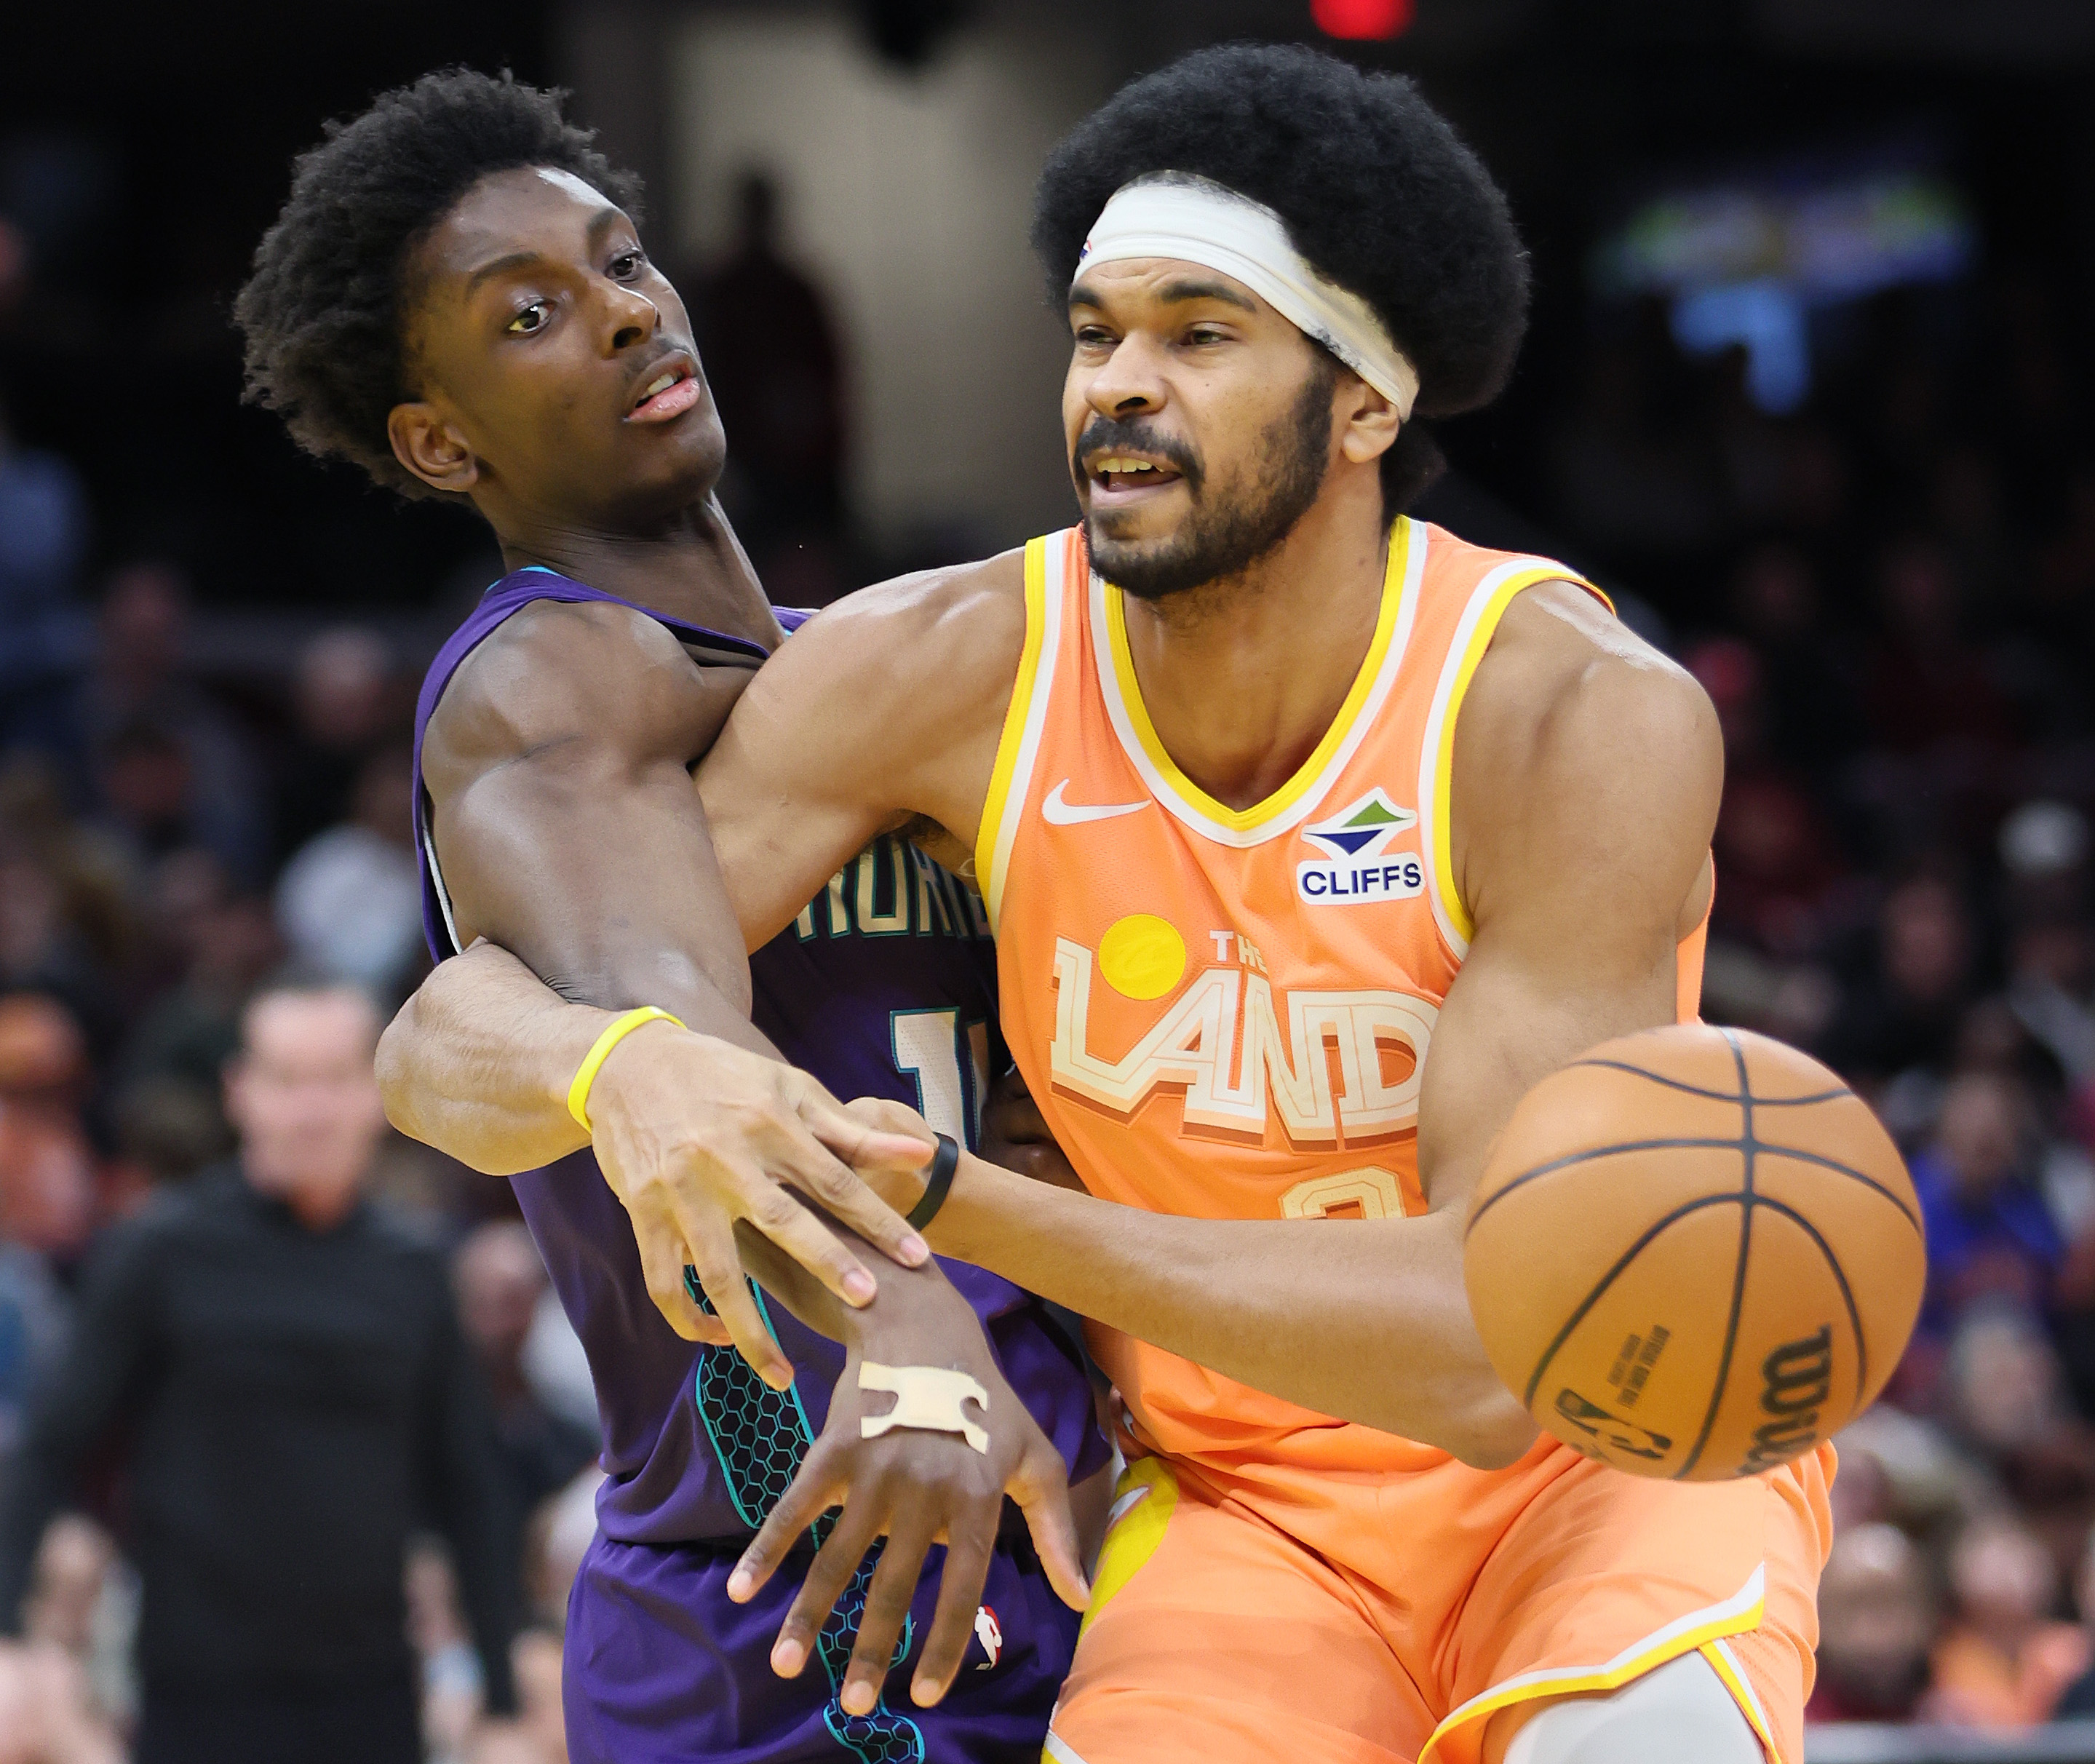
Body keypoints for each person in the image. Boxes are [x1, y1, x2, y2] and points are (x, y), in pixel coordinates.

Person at [378, 45, 1835, 1764]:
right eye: (1094, 333)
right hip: (1232, 1513)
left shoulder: (1567, 711)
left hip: (1590, 1458)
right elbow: (463, 1023)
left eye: (1197, 335)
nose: (1117, 387)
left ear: (1365, 400)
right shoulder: (934, 673)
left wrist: (958, 1211)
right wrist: (616, 1063)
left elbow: (1478, 1357)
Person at [232, 70, 1105, 1764]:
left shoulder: (841, 665)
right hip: (793, 1583)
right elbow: (680, 1048)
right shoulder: (548, 672)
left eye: (623, 260)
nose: (626, 315)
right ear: (437, 435)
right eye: (533, 313)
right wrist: (917, 1329)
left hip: (1047, 1524)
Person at [0, 974, 522, 1764]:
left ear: (375, 1097)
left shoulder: (414, 1268)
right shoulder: (160, 1253)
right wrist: (6, 1635)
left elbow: (469, 1485)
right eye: (284, 1081)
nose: (309, 1112)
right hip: (199, 1693)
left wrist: (503, 1697)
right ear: (239, 1093)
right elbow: (52, 1446)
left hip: (371, 1694)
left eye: (333, 1081)